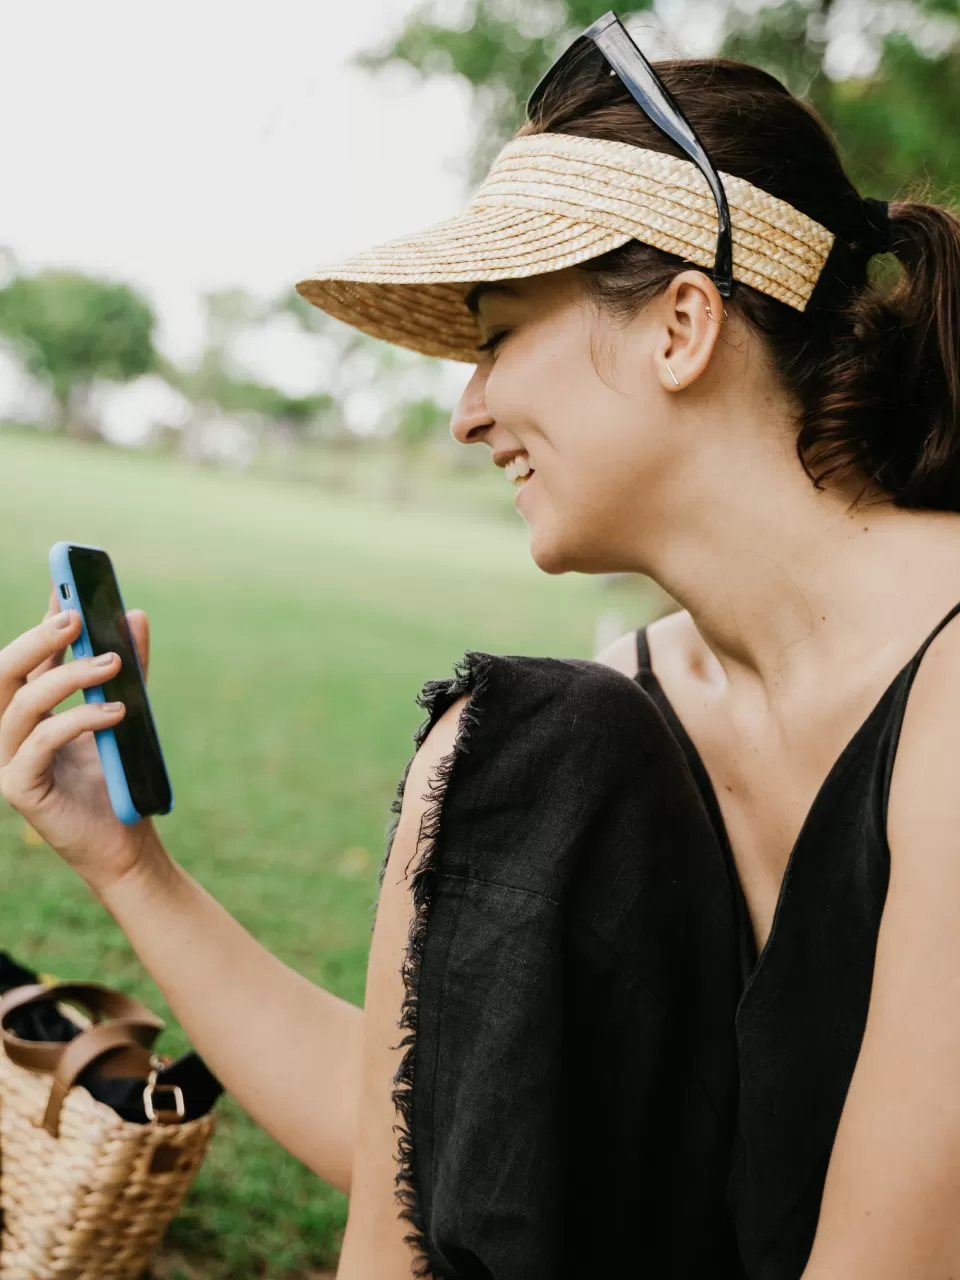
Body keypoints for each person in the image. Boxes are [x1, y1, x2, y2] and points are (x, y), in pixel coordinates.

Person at [3, 12, 960, 1278]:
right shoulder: (603, 728)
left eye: (499, 336)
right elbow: (432, 1134)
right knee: (519, 736)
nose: (467, 412)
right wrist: (133, 868)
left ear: (680, 326)